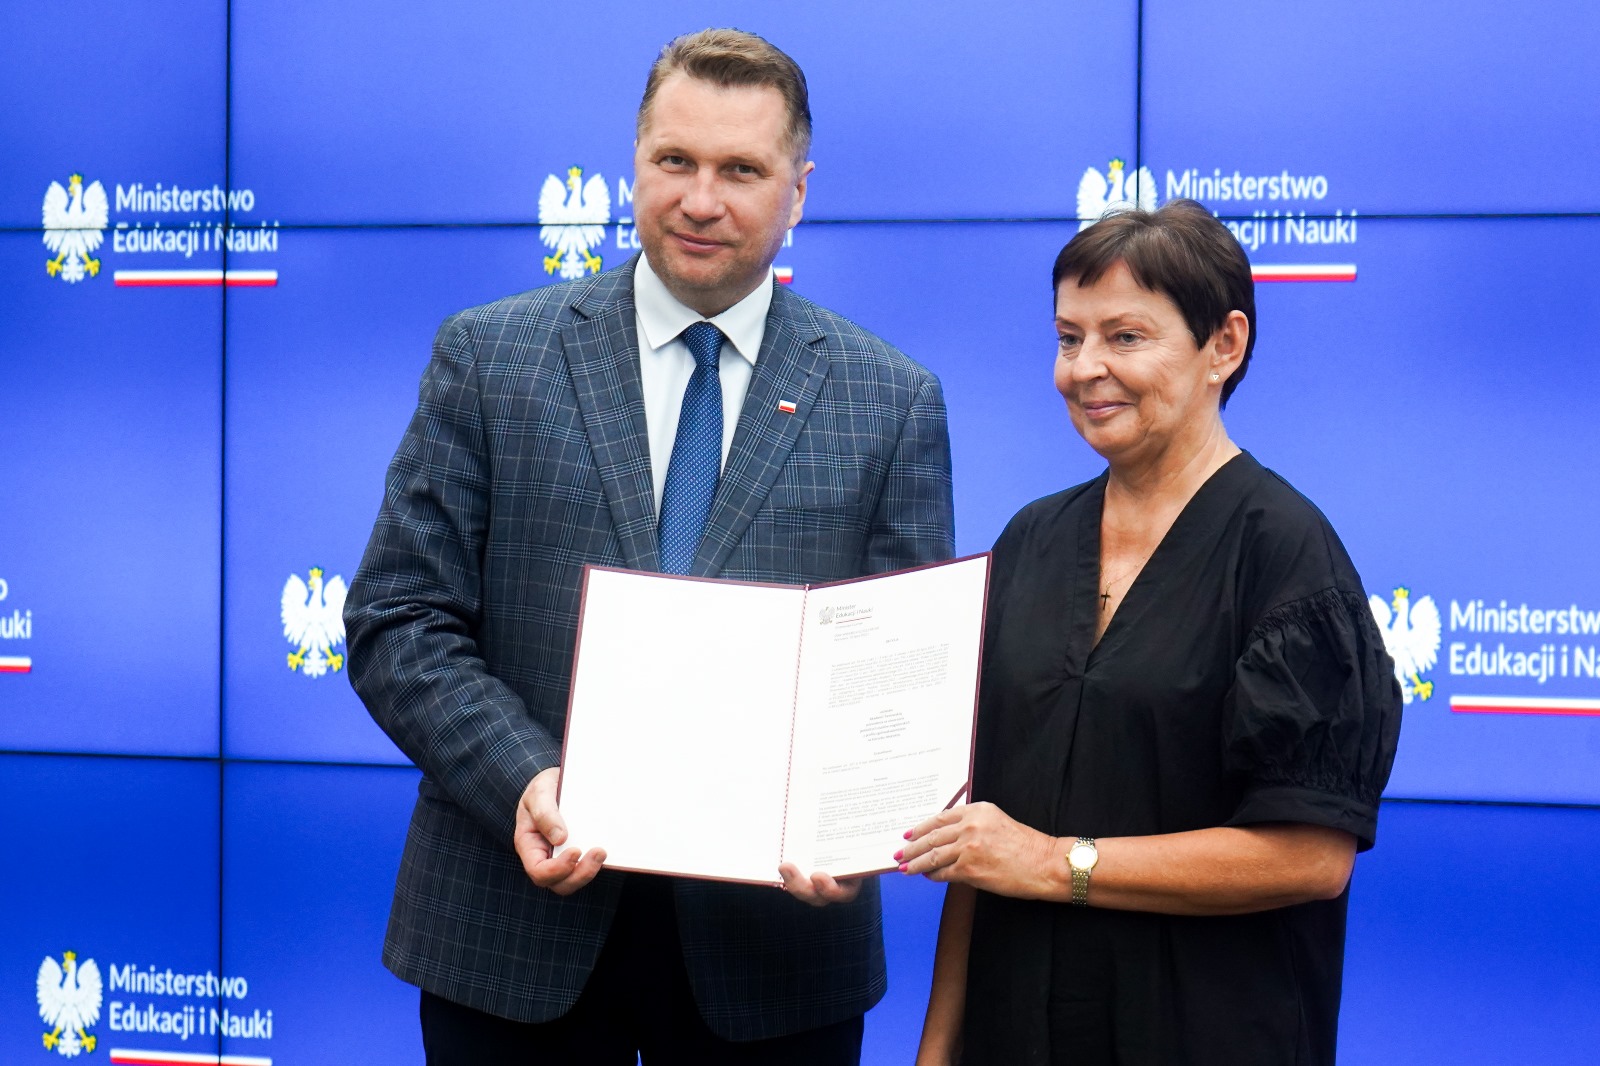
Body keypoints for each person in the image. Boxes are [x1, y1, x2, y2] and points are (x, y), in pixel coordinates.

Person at [344, 28, 954, 1065]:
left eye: (740, 170)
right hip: (509, 932)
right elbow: (398, 618)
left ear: (798, 192)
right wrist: (524, 780)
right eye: (675, 160)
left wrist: (853, 825)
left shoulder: (889, 400)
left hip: (774, 958)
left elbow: (896, 673)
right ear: (634, 162)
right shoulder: (491, 356)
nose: (699, 200)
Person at [902, 200, 1402, 1066]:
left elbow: (1310, 857)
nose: (1084, 368)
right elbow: (984, 838)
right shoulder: (1031, 540)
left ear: (1224, 346)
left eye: (1125, 337)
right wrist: (938, 1047)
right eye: (1068, 338)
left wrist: (1057, 862)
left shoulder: (1286, 555)